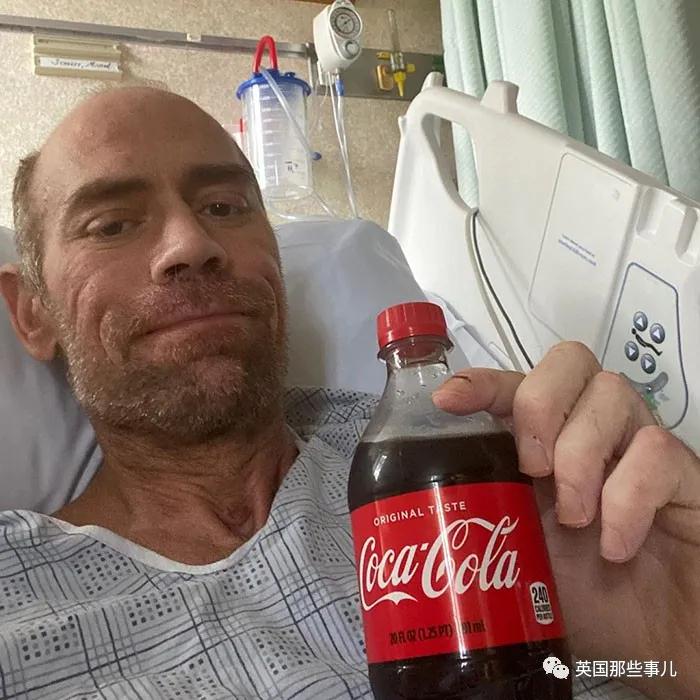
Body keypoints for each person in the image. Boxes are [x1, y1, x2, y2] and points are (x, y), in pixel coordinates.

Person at [0, 86, 697, 700]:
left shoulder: (487, 470)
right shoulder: (17, 607)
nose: (191, 242)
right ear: (32, 311)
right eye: (112, 224)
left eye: (223, 205)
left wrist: (675, 636)